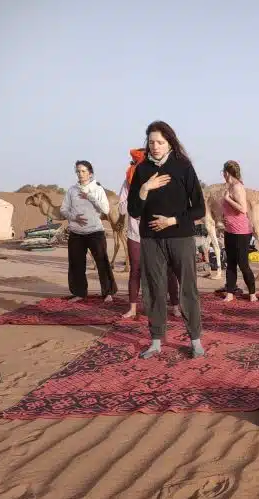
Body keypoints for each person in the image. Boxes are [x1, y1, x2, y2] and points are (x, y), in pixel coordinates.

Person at [127, 120, 206, 359]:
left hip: (180, 237)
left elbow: (199, 209)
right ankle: (156, 340)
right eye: (151, 142)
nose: (156, 146)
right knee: (153, 288)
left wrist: (172, 221)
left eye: (160, 142)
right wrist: (145, 188)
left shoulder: (183, 166)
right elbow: (133, 210)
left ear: (169, 142)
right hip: (151, 239)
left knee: (187, 288)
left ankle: (195, 340)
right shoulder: (141, 170)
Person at [118, 148, 181, 319]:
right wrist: (138, 192)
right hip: (135, 233)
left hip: (158, 231)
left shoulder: (160, 179)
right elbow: (123, 209)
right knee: (135, 270)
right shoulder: (127, 184)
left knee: (168, 271)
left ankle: (175, 305)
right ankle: (132, 308)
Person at [61, 160, 117, 303]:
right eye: (78, 171)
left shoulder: (97, 189)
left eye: (84, 171)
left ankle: (108, 292)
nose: (80, 174)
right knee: (76, 264)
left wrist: (90, 197)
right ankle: (79, 293)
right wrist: (74, 217)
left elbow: (105, 210)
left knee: (102, 262)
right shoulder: (72, 190)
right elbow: (63, 209)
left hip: (95, 232)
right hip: (76, 232)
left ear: (90, 173)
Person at [220, 160, 258, 303]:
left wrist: (227, 199)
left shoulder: (237, 187)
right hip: (229, 230)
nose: (222, 175)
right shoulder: (229, 187)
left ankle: (252, 292)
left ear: (227, 173)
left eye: (223, 172)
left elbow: (243, 209)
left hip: (241, 232)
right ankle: (229, 292)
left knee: (243, 264)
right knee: (230, 262)